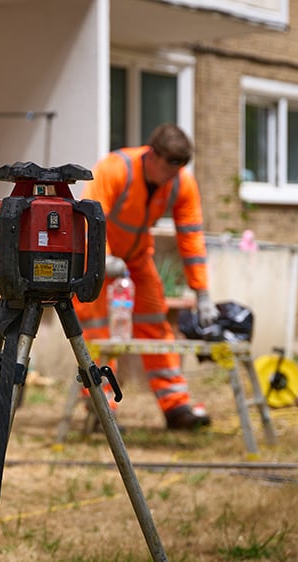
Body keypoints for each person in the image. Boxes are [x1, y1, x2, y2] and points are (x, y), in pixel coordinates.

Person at [73, 123, 219, 430]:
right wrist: (102, 259)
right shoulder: (115, 169)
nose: (172, 176)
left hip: (136, 260)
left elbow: (191, 237)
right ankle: (102, 410)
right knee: (98, 332)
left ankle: (176, 406)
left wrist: (202, 293)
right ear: (152, 155)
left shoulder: (181, 183)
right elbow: (88, 218)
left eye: (179, 169)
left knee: (155, 323)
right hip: (97, 259)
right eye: (169, 167)